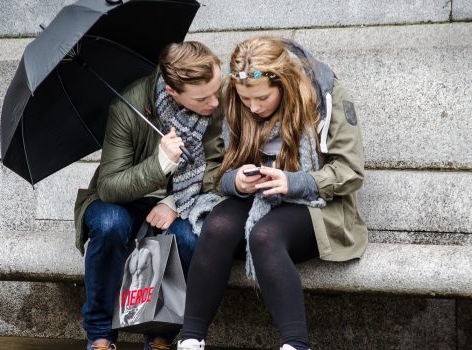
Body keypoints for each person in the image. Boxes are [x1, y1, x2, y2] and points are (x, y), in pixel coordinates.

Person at [177, 36, 368, 350]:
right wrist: (233, 181)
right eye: (245, 99)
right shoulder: (232, 100)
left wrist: (294, 182)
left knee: (265, 236)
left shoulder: (326, 95)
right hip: (253, 198)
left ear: (285, 83)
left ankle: (295, 344)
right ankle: (190, 339)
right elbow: (211, 169)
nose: (253, 107)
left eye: (262, 98)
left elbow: (350, 171)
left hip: (315, 203)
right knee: (218, 226)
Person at [73, 41, 224, 350]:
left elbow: (220, 167)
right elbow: (109, 186)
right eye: (203, 97)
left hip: (181, 200)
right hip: (117, 201)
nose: (214, 101)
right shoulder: (126, 109)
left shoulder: (216, 109)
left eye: (216, 90)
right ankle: (100, 334)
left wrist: (173, 202)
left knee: (187, 237)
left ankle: (160, 335)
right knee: (110, 225)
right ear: (172, 92)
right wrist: (160, 164)